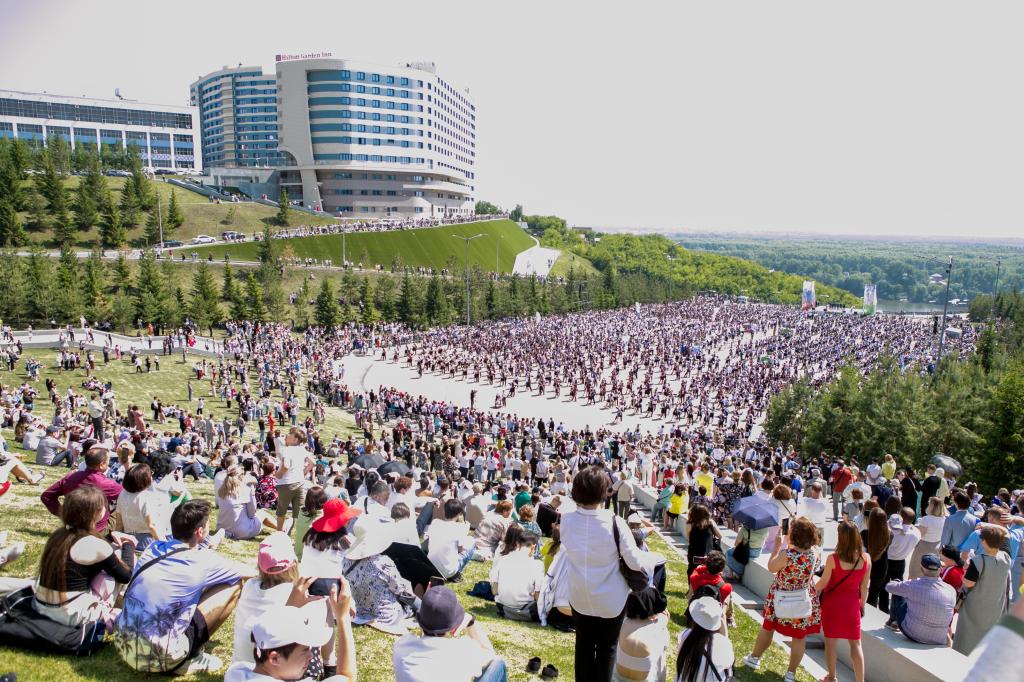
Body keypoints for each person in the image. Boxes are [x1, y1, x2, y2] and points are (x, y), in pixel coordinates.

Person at [115, 500, 250, 674]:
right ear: (200, 532)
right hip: (162, 658)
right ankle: (188, 656)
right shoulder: (203, 561)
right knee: (234, 583)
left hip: (124, 645)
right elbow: (249, 572)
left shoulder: (152, 547)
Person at [561, 465, 665, 681]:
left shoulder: (567, 519)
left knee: (584, 646)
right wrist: (654, 558)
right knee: (607, 648)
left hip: (579, 594)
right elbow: (635, 562)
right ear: (603, 492)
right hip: (610, 599)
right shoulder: (613, 522)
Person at [232, 533, 334, 678]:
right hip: (276, 669)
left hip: (244, 668)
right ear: (294, 565)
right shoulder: (298, 593)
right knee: (324, 607)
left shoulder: (249, 585)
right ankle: (330, 665)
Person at [33, 485, 136, 627]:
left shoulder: (58, 536)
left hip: (40, 607)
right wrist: (128, 544)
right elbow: (125, 576)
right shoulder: (96, 545)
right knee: (115, 561)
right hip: (70, 615)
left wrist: (112, 536)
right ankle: (120, 609)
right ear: (98, 513)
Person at [224, 581, 356, 682]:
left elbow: (273, 631)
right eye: (305, 650)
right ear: (275, 658)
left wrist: (292, 606)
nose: (311, 656)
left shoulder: (236, 672)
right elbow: (346, 677)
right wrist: (343, 618)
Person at [743, 517, 820, 682]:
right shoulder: (814, 553)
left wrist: (777, 547)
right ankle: (790, 674)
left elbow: (771, 567)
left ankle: (754, 658)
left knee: (768, 628)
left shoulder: (787, 554)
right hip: (802, 598)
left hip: (780, 596)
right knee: (799, 637)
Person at [392, 585, 507, 682]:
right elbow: (490, 656)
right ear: (455, 623)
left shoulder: (401, 646)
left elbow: (427, 631)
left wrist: (429, 608)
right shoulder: (462, 651)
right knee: (498, 663)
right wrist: (471, 623)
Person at [342, 516, 418, 633]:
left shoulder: (346, 560)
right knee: (412, 598)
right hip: (387, 616)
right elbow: (399, 589)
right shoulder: (382, 562)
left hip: (362, 613)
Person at [815, 520, 870, 682]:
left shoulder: (833, 559)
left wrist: (809, 587)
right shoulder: (866, 559)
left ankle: (831, 677)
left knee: (831, 644)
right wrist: (861, 606)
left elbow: (823, 583)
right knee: (856, 645)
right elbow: (864, 587)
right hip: (852, 606)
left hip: (832, 606)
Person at [953, 525, 1013, 655]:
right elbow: (1006, 532)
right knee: (986, 639)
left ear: (984, 541)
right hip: (995, 607)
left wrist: (965, 571)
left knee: (967, 638)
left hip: (975, 606)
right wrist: (991, 526)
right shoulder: (1006, 557)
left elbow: (968, 583)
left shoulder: (977, 560)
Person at [40, 446, 122, 532]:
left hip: (73, 526)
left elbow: (47, 496)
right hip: (97, 529)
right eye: (107, 462)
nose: (108, 464)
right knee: (117, 509)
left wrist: (62, 513)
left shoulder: (72, 477)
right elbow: (126, 495)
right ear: (101, 465)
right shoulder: (106, 484)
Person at [885, 553, 957, 646]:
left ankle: (893, 622)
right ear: (941, 569)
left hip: (913, 634)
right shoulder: (951, 590)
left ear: (921, 569)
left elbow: (889, 587)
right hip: (939, 639)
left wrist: (898, 582)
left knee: (899, 588)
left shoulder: (912, 585)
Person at [612, 587, 670, 682]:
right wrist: (664, 619)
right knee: (661, 650)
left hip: (616, 678)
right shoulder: (658, 627)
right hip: (646, 679)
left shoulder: (622, 622)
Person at [115, 463, 172, 551]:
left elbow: (119, 523)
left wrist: (118, 540)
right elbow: (151, 526)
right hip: (145, 541)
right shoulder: (145, 497)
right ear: (144, 479)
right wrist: (164, 544)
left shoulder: (122, 494)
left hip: (127, 538)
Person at [676, 597, 734, 682]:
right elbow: (729, 664)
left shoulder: (685, 635)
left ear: (694, 619)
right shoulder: (723, 645)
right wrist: (725, 634)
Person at [490, 529, 543, 621]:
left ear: (517, 544)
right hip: (525, 608)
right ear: (534, 546)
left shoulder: (503, 559)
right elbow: (537, 596)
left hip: (502, 605)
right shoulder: (537, 565)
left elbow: (494, 591)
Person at [217, 465, 280, 540]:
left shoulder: (221, 491)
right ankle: (282, 529)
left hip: (222, 529)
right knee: (262, 513)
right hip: (241, 533)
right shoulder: (245, 490)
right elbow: (252, 514)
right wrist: (252, 491)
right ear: (241, 476)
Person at [426, 497, 475, 580]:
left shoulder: (435, 522)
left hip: (431, 569)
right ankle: (456, 574)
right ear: (459, 514)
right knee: (472, 542)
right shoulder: (460, 528)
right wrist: (466, 526)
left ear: (444, 511)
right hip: (448, 572)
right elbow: (461, 549)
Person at [276, 427, 313, 532]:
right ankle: (300, 533)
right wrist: (303, 473)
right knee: (299, 512)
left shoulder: (286, 450)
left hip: (286, 483)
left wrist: (278, 474)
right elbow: (312, 463)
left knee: (281, 512)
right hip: (300, 483)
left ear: (295, 439)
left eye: (290, 434)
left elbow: (286, 466)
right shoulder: (302, 449)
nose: (287, 435)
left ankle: (279, 533)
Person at [861, 507, 892, 612]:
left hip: (866, 564)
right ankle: (870, 614)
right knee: (874, 594)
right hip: (882, 566)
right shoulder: (890, 534)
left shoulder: (865, 533)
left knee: (861, 589)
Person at [910, 497, 947, 578]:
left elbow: (920, 534)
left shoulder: (927, 519)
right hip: (936, 547)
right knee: (929, 573)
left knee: (915, 571)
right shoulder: (944, 519)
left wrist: (913, 529)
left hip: (924, 546)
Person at [685, 504, 721, 579]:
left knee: (692, 569)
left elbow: (689, 539)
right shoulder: (710, 522)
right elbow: (720, 536)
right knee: (708, 570)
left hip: (694, 553)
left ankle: (692, 588)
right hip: (708, 553)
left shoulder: (690, 524)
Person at [886, 508, 921, 583]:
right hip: (900, 562)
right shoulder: (916, 533)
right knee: (898, 586)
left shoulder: (891, 530)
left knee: (884, 584)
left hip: (887, 560)